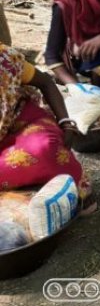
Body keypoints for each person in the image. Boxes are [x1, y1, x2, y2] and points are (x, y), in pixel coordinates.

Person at [1, 43, 90, 197]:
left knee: (44, 147)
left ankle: (71, 193)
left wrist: (66, 123)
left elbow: (46, 82)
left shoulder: (5, 58)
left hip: (21, 121)